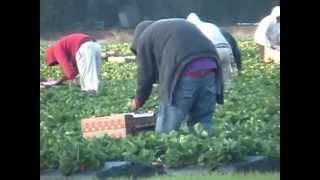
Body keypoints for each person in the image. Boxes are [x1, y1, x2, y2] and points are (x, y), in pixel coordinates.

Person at [130, 19, 224, 134]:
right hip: (211, 68)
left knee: (167, 129)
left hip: (185, 71)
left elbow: (145, 75)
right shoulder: (166, 30)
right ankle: (207, 150)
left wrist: (139, 100)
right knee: (202, 125)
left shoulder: (144, 39)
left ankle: (165, 150)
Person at [186, 13, 237, 87]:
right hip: (227, 49)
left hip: (214, 52)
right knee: (227, 79)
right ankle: (231, 94)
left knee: (213, 79)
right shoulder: (211, 25)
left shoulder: (194, 29)